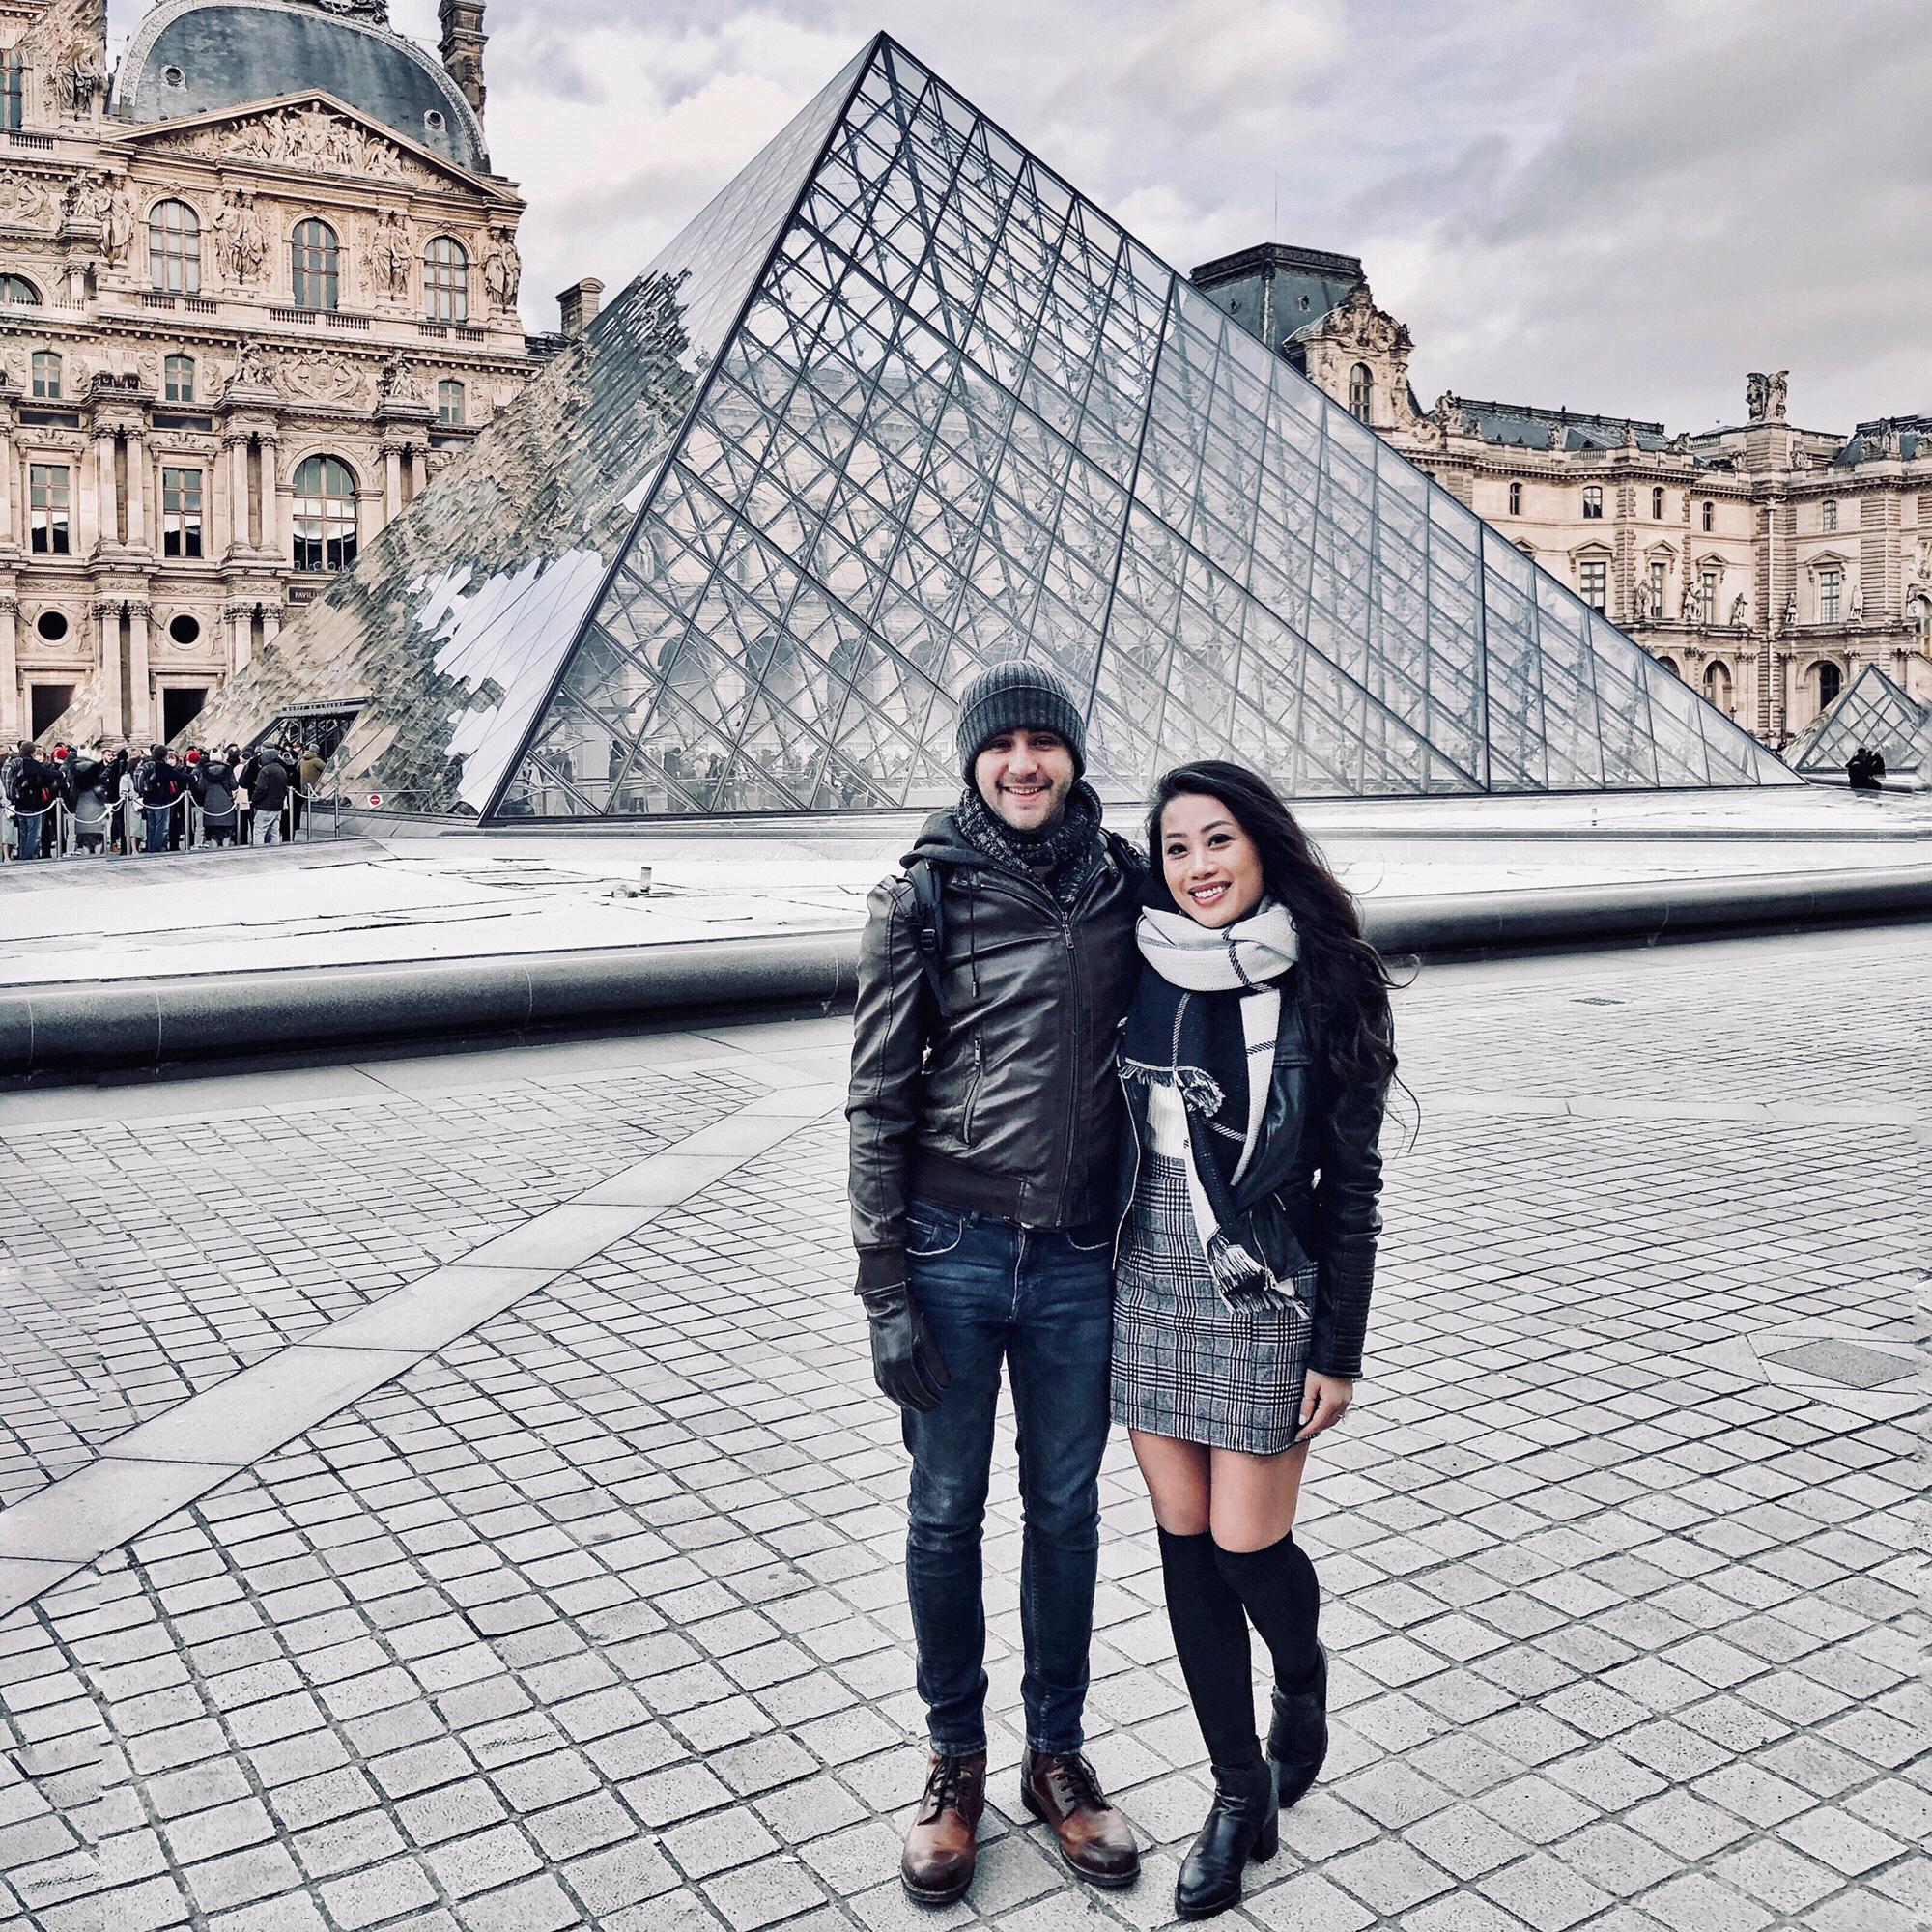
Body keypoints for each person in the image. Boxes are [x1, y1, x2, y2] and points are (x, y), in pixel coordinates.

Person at [846, 661, 1145, 1908]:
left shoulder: (1129, 882)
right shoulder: (922, 893)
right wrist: (881, 1287)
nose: (1025, 763)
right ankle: (954, 1760)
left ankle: (1056, 1756)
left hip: (1080, 1257)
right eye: (1002, 745)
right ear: (971, 760)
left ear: (1075, 756)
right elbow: (875, 1094)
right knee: (943, 1513)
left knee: (1067, 1515)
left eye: (1046, 743)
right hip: (952, 1253)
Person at [1113, 761, 1395, 1920]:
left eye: (1216, 838)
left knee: (1243, 1546)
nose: (1196, 867)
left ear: (1263, 843)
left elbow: (1352, 1184)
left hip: (1263, 1288)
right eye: (1174, 847)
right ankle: (1236, 1792)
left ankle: (1302, 1675)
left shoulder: (1327, 983)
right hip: (1142, 1279)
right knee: (1182, 1541)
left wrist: (1339, 1348)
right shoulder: (1133, 962)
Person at [5, 742, 58, 862]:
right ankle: (28, 858)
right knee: (34, 834)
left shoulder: (17, 763)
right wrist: (61, 773)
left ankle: (23, 855)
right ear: (32, 752)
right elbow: (46, 773)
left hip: (19, 803)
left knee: (24, 834)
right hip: (32, 804)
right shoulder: (31, 764)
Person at [135, 743, 180, 853]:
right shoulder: (162, 767)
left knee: (151, 827)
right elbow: (177, 775)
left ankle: (150, 847)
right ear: (164, 755)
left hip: (148, 800)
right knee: (161, 827)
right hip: (161, 800)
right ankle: (155, 850)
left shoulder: (148, 764)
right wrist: (193, 777)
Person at [246, 745, 291, 844]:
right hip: (277, 805)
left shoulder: (265, 770)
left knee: (259, 831)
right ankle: (274, 851)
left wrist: (254, 799)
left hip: (264, 805)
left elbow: (261, 788)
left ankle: (259, 851)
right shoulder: (281, 770)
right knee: (275, 831)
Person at [194, 751, 240, 846]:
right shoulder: (228, 769)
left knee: (212, 831)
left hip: (210, 803)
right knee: (226, 830)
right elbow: (234, 785)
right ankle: (225, 848)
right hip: (226, 804)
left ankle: (214, 849)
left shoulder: (205, 770)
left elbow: (200, 788)